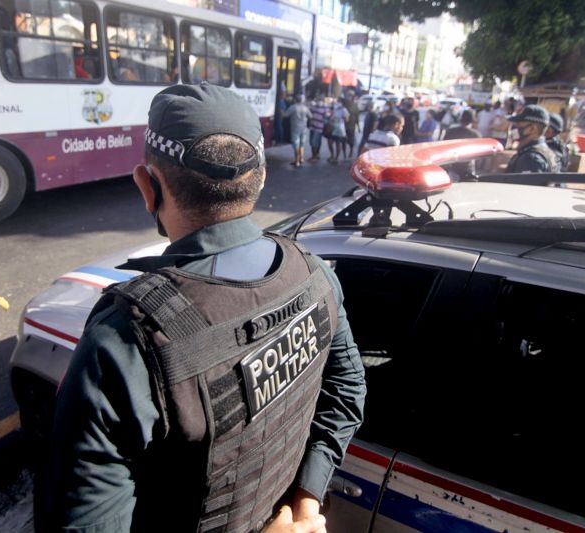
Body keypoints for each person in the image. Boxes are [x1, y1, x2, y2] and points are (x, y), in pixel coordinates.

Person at [39, 83, 366, 533]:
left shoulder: (126, 343)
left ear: (147, 185)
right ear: (262, 177)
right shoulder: (315, 275)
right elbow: (346, 388)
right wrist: (307, 499)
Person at [505, 105, 557, 173]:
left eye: (518, 125)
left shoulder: (531, 159)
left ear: (532, 129)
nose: (514, 128)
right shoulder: (543, 151)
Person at [441, 109, 481, 179]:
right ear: (472, 120)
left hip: (452, 165)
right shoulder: (476, 134)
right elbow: (479, 154)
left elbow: (443, 148)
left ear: (461, 119)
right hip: (468, 167)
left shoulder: (451, 131)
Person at [283, 94, 311, 167]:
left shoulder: (293, 107)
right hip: (304, 129)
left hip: (295, 128)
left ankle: (296, 161)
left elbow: (285, 115)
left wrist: (281, 111)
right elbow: (311, 116)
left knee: (296, 145)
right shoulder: (305, 108)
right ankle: (301, 158)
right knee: (302, 144)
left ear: (295, 100)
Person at [307, 93, 329, 163]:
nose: (319, 100)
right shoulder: (314, 106)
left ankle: (314, 157)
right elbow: (309, 113)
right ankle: (315, 155)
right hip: (313, 127)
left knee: (314, 142)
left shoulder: (325, 108)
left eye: (320, 99)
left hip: (318, 128)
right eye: (319, 99)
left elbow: (327, 118)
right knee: (314, 142)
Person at [328, 98, 350, 163]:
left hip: (339, 129)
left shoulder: (344, 110)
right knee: (330, 142)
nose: (338, 102)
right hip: (332, 127)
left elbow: (347, 120)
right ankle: (332, 155)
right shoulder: (335, 108)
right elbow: (331, 115)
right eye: (338, 101)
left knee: (338, 143)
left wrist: (342, 118)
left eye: (339, 101)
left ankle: (336, 158)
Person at [343, 91, 359, 159]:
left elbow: (357, 116)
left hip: (351, 126)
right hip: (343, 126)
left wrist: (358, 126)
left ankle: (351, 152)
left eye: (350, 95)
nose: (349, 97)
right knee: (343, 140)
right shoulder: (344, 104)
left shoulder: (355, 106)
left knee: (351, 141)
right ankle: (344, 154)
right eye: (348, 95)